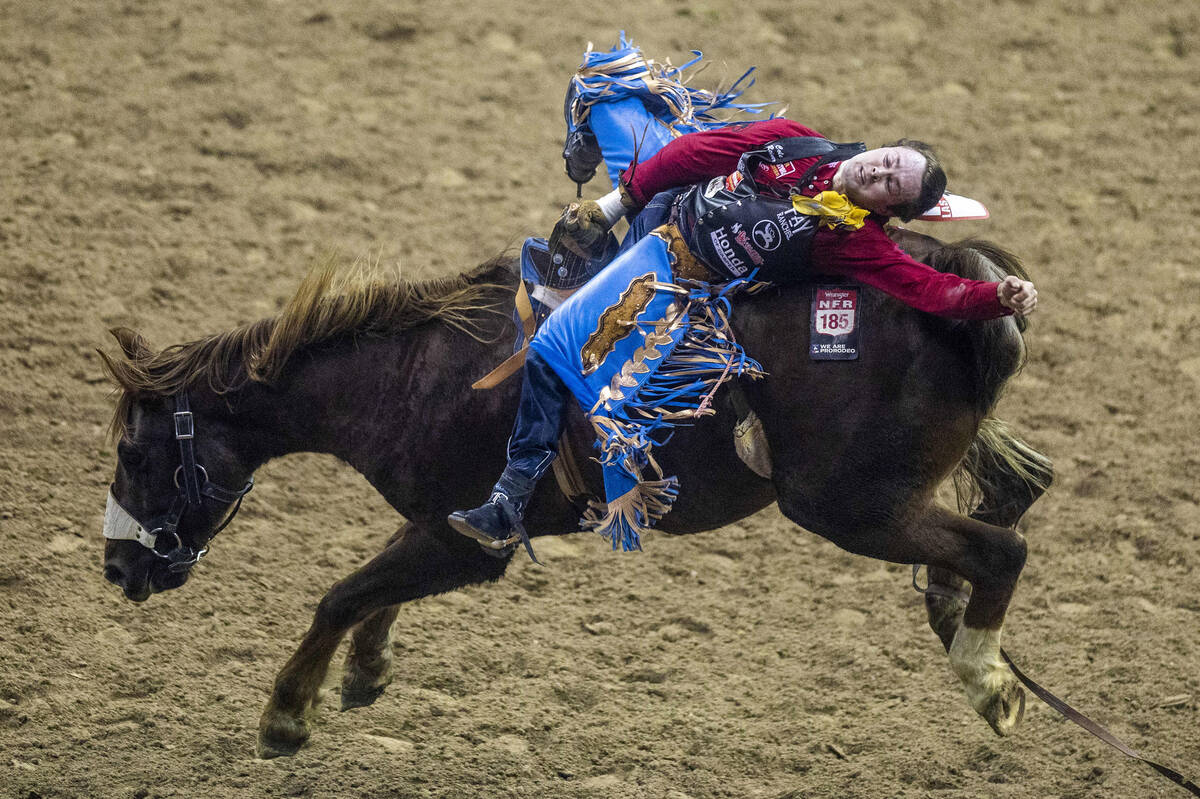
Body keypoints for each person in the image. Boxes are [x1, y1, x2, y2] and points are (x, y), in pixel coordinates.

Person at [448, 118, 1038, 553]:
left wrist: (994, 299)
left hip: (670, 276)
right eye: (888, 161)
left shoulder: (857, 241)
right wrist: (618, 201)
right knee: (629, 104)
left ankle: (509, 500)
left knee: (553, 353)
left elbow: (930, 290)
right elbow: (701, 150)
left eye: (891, 185)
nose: (879, 172)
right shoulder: (800, 140)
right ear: (883, 145)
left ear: (891, 211)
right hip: (669, 208)